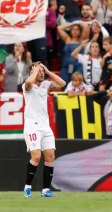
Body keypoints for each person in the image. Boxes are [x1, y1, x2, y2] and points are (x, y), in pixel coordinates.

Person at [22, 62, 66, 198]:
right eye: (39, 71)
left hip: (45, 126)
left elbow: (62, 83)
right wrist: (34, 72)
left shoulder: (46, 85)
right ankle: (27, 186)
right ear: (32, 72)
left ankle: (46, 189)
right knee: (36, 156)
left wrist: (47, 70)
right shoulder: (27, 86)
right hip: (32, 126)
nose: (41, 73)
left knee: (50, 156)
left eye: (42, 71)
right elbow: (29, 81)